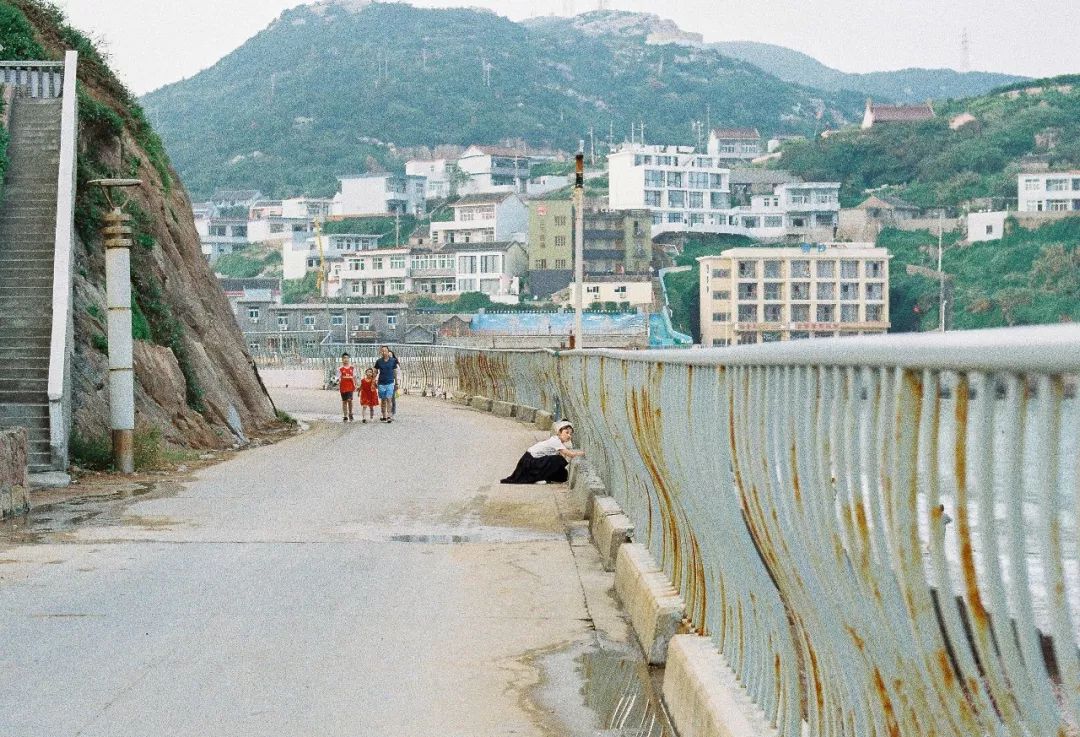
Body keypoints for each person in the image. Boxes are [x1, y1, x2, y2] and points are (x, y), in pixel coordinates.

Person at [501, 420, 585, 485]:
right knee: (558, 459)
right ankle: (537, 478)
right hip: (530, 461)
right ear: (559, 432)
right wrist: (583, 453)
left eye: (570, 434)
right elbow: (570, 454)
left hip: (529, 460)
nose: (569, 436)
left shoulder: (556, 440)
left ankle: (544, 478)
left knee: (562, 474)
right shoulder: (556, 441)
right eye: (566, 433)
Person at [373, 345, 400, 423]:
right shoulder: (378, 361)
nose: (384, 352)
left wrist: (396, 383)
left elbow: (395, 372)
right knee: (383, 400)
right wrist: (374, 381)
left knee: (389, 399)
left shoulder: (393, 361)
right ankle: (384, 415)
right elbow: (375, 371)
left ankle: (389, 415)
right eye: (382, 351)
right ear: (380, 352)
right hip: (381, 383)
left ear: (388, 352)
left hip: (390, 382)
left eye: (385, 351)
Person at [335, 352, 356, 422]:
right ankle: (345, 415)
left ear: (349, 359)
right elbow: (337, 378)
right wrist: (337, 382)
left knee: (350, 400)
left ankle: (350, 413)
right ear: (342, 359)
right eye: (344, 358)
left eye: (347, 358)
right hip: (343, 387)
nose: (345, 359)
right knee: (344, 401)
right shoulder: (340, 369)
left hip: (350, 387)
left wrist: (356, 385)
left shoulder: (352, 368)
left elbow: (354, 377)